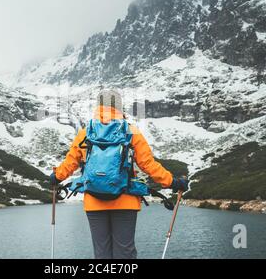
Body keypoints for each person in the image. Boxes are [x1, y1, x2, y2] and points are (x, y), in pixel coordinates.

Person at [50, 90, 188, 259]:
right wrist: (172, 182)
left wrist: (56, 177)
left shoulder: (85, 133)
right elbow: (147, 164)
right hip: (125, 199)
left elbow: (70, 162)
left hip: (94, 201)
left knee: (101, 253)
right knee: (125, 252)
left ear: (98, 106)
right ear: (120, 107)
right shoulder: (131, 131)